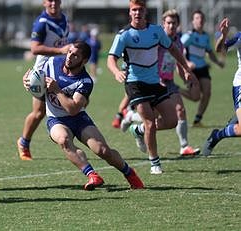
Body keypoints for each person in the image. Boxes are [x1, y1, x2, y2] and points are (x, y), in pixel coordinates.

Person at [24, 41, 144, 190]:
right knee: (63, 140)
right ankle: (92, 175)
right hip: (56, 119)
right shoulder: (51, 63)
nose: (69, 57)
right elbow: (34, 76)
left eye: (75, 56)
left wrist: (57, 89)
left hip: (78, 119)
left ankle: (130, 173)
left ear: (84, 61)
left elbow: (73, 109)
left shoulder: (85, 81)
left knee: (103, 151)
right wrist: (28, 81)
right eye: (69, 53)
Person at [107, 0, 195, 174]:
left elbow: (173, 49)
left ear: (145, 11)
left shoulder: (156, 31)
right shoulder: (124, 35)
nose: (137, 13)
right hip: (135, 83)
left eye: (140, 9)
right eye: (134, 10)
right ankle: (155, 162)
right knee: (150, 123)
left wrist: (185, 68)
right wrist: (116, 71)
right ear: (129, 12)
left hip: (154, 82)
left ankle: (137, 130)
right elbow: (111, 58)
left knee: (172, 120)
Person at [17, 0, 71, 160]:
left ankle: (68, 139)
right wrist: (60, 50)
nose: (53, 3)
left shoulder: (64, 18)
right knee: (39, 112)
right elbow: (34, 48)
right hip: (43, 73)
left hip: (61, 70)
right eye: (50, 0)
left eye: (56, 0)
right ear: (44, 3)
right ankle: (23, 142)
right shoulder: (42, 23)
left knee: (74, 103)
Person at [158, 9, 200, 156]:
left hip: (168, 82)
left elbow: (179, 65)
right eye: (168, 23)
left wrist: (186, 79)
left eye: (174, 23)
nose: (171, 26)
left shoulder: (178, 43)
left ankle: (184, 146)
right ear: (163, 24)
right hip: (154, 83)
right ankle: (135, 124)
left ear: (178, 24)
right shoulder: (157, 39)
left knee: (180, 111)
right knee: (152, 117)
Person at [202, 18, 241, 155]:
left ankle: (236, 119)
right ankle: (217, 136)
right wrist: (223, 35)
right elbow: (219, 49)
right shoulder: (240, 37)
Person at [180, 10, 225, 127]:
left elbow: (210, 53)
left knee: (207, 92)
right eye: (197, 18)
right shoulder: (189, 36)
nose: (199, 20)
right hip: (192, 70)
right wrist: (187, 62)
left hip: (203, 68)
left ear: (204, 21)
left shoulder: (205, 37)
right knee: (195, 97)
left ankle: (197, 119)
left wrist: (218, 63)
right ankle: (175, 89)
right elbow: (177, 49)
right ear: (193, 21)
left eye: (201, 18)